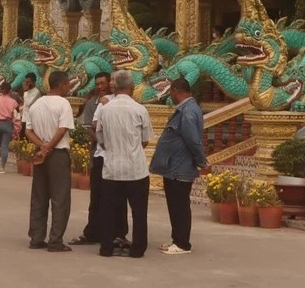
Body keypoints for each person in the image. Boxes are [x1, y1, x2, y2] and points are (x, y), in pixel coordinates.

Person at [96, 71, 153, 258]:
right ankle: (138, 249)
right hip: (136, 169)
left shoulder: (105, 109)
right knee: (139, 211)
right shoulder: (140, 110)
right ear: (132, 88)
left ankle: (106, 247)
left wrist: (113, 148)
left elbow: (100, 138)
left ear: (114, 87)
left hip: (112, 169)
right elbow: (145, 140)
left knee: (108, 210)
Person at [148, 76, 208, 255]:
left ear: (175, 91)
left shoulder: (188, 111)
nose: (170, 96)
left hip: (180, 166)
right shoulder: (185, 110)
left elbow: (193, 140)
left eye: (170, 93)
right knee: (174, 205)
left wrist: (200, 160)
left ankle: (182, 243)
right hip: (173, 167)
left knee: (180, 205)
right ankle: (177, 239)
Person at [25, 70, 76, 252]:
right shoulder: (63, 104)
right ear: (62, 85)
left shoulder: (36, 104)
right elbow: (62, 130)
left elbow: (28, 131)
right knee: (60, 198)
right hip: (57, 153)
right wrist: (48, 148)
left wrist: (42, 146)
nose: (69, 87)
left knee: (39, 196)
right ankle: (55, 240)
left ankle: (37, 237)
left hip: (40, 152)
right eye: (68, 84)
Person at [70, 73, 115, 246]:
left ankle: (113, 232)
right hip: (98, 154)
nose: (100, 86)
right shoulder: (92, 104)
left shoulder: (116, 102)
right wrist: (101, 141)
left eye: (103, 83)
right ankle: (92, 232)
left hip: (115, 156)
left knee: (113, 196)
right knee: (96, 196)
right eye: (97, 84)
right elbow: (89, 127)